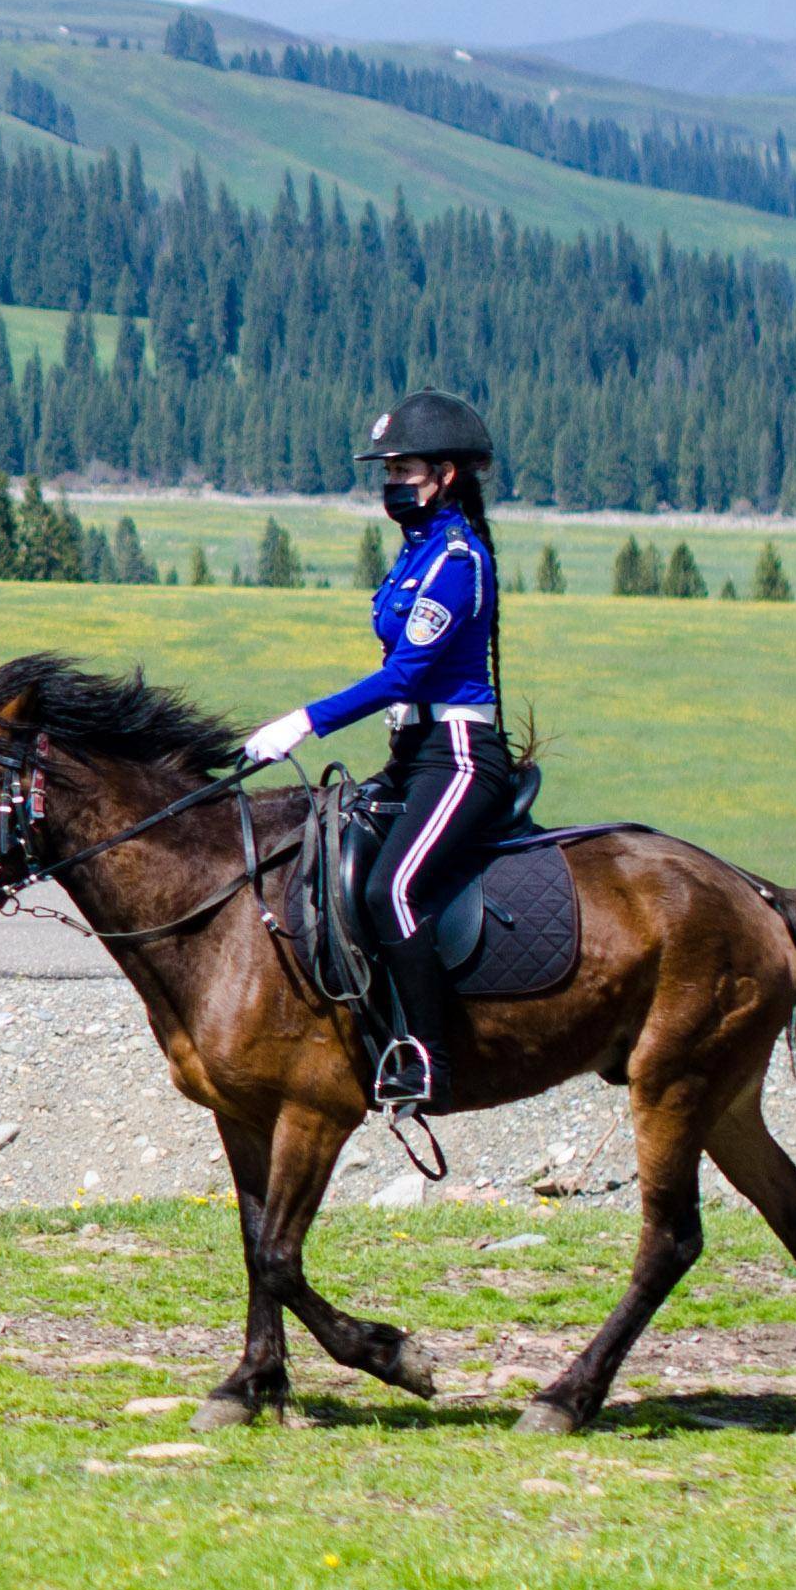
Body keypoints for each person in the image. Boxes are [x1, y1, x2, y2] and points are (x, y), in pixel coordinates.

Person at [241, 389, 507, 1116]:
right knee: (329, 861)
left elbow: (406, 674)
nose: (390, 482)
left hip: (457, 756)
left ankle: (427, 1060)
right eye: (385, 469)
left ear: (445, 475)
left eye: (404, 468)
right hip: (411, 749)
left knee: (393, 888)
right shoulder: (414, 555)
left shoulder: (455, 560)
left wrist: (302, 720)